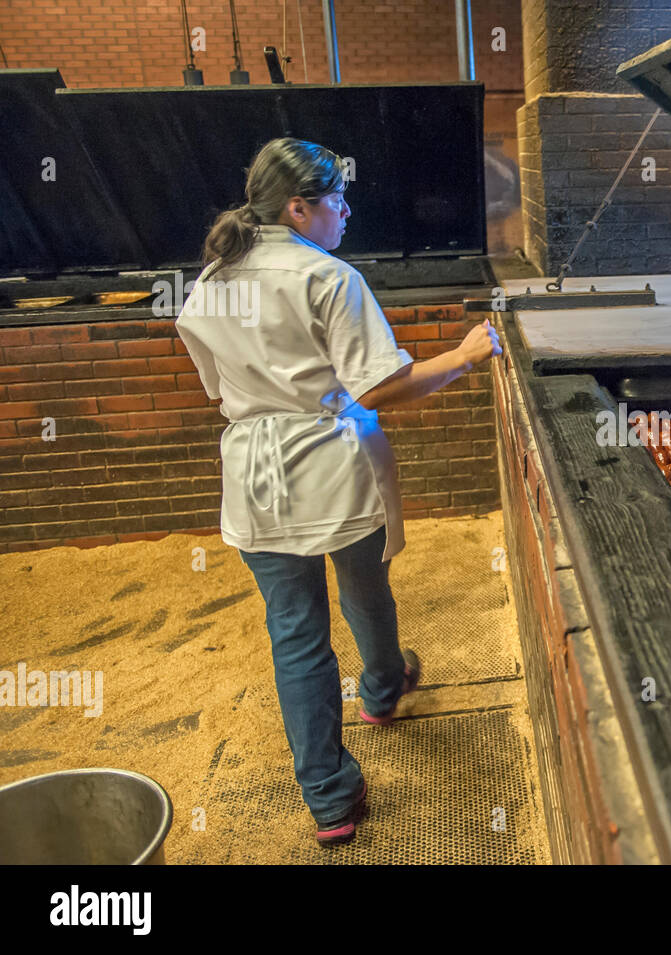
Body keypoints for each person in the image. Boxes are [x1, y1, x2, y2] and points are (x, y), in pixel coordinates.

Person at [175, 137, 500, 846]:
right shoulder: (328, 277)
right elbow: (380, 385)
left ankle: (330, 798)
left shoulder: (206, 285)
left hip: (254, 478)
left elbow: (218, 391)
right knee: (365, 592)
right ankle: (381, 693)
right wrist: (465, 357)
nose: (346, 210)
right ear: (299, 206)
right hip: (329, 464)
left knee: (296, 635)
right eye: (336, 199)